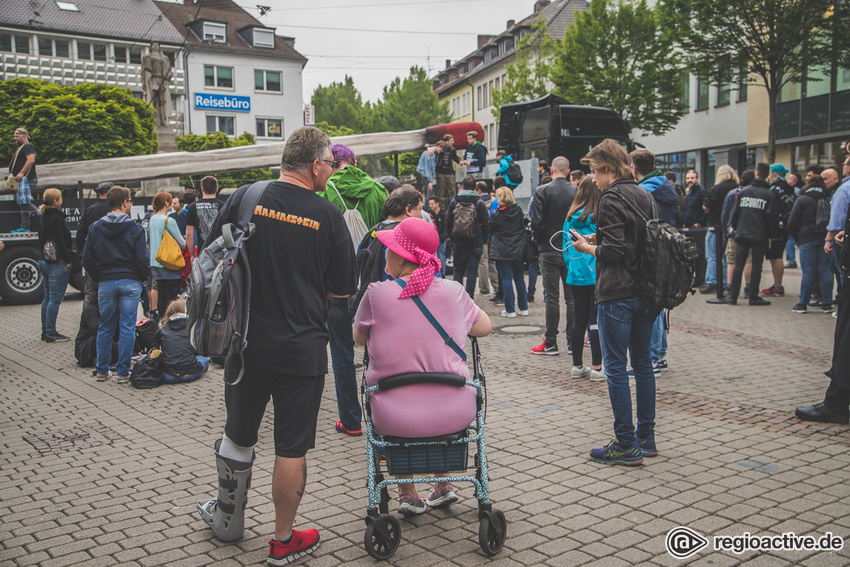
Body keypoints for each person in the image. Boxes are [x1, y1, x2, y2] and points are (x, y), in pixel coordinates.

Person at [197, 127, 356, 566]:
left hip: (243, 343)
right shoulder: (327, 216)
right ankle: (283, 540)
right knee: (291, 448)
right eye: (329, 164)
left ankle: (227, 521)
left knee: (239, 435)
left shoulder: (246, 196)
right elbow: (342, 290)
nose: (331, 172)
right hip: (302, 350)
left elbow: (213, 253)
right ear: (313, 165)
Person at [353, 217, 492, 514]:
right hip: (454, 412)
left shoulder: (376, 294)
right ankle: (443, 485)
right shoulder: (454, 291)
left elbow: (358, 338)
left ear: (401, 257)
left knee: (392, 422)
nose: (385, 252)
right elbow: (485, 328)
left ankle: (408, 494)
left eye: (389, 248)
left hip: (393, 415)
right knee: (437, 402)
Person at [571, 139, 659, 465]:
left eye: (594, 172)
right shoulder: (644, 194)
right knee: (643, 364)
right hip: (648, 292)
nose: (593, 179)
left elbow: (615, 252)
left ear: (607, 169)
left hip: (618, 292)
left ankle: (624, 443)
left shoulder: (610, 197)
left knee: (617, 369)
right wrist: (600, 236)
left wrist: (587, 248)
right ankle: (645, 437)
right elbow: (639, 238)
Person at [318, 143, 387, 438]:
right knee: (381, 350)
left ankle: (351, 420)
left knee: (342, 353)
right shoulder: (378, 191)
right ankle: (383, 418)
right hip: (373, 284)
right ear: (355, 163)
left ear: (331, 164)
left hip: (336, 287)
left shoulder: (322, 192)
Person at [82, 186, 149, 383]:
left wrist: (99, 276)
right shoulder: (135, 228)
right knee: (127, 326)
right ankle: (122, 372)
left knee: (105, 326)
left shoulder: (95, 227)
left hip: (106, 281)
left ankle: (102, 370)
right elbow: (142, 258)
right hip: (130, 281)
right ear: (125, 202)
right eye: (130, 200)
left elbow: (87, 258)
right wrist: (141, 277)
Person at [630, 150, 680, 373]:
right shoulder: (665, 185)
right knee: (658, 306)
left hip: (654, 252)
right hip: (668, 251)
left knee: (651, 306)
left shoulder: (644, 191)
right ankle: (659, 356)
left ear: (634, 168)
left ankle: (651, 359)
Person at [530, 156, 577, 356]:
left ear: (551, 170)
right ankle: (572, 341)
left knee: (551, 297)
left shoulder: (542, 191)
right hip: (572, 248)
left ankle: (551, 342)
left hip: (548, 248)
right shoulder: (577, 191)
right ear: (568, 171)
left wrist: (539, 240)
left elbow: (537, 222)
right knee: (571, 297)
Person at [563, 175, 604, 381]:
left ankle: (577, 366)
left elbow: (565, 247)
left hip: (576, 275)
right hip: (598, 273)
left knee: (579, 320)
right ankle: (598, 367)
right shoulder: (602, 216)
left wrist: (572, 267)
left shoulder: (570, 217)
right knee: (596, 322)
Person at [727, 163, 777, 307]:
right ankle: (753, 296)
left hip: (742, 233)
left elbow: (735, 214)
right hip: (760, 235)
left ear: (756, 173)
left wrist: (736, 228)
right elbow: (771, 217)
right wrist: (770, 234)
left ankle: (733, 296)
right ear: (767, 175)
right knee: (756, 266)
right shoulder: (769, 194)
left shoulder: (743, 192)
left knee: (738, 265)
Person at [788, 175, 833, 313]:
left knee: (808, 271)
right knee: (825, 270)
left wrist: (798, 238)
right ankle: (827, 303)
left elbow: (792, 222)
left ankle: (803, 303)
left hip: (807, 238)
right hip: (825, 237)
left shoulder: (802, 199)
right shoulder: (828, 198)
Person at [37, 188, 73, 343]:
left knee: (47, 297)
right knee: (55, 299)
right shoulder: (57, 218)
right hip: (57, 262)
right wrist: (68, 259)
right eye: (60, 198)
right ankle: (51, 332)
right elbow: (60, 240)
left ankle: (45, 330)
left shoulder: (42, 216)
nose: (61, 201)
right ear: (55, 201)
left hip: (44, 260)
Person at [447, 176, 490, 298]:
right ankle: (469, 299)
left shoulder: (454, 202)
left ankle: (458, 298)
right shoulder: (479, 202)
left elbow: (448, 222)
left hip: (459, 243)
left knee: (458, 271)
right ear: (475, 188)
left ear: (463, 186)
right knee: (472, 272)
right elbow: (486, 223)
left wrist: (453, 238)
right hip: (475, 242)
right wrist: (483, 239)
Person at [701, 165, 740, 294]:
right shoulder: (737, 189)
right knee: (726, 257)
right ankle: (724, 282)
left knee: (712, 256)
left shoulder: (717, 188)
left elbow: (706, 206)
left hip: (715, 226)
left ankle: (711, 281)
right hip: (730, 228)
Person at [489, 187, 528, 318]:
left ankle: (510, 310)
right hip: (518, 249)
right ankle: (524, 308)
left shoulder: (497, 215)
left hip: (502, 250)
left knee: (506, 279)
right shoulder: (518, 211)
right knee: (519, 278)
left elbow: (490, 229)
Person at [760, 163, 795, 297]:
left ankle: (778, 285)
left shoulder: (774, 188)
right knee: (778, 254)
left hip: (777, 226)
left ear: (774, 174)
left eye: (770, 173)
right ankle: (777, 284)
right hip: (786, 225)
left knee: (775, 256)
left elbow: (772, 208)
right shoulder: (789, 188)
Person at [149, 192, 186, 317]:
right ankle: (169, 319)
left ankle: (161, 319)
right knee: (171, 295)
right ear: (166, 203)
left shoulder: (152, 219)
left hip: (156, 260)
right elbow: (182, 242)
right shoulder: (168, 221)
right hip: (169, 262)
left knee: (161, 294)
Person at [156, 299, 210, 384]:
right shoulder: (192, 327)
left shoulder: (163, 330)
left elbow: (156, 350)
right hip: (190, 373)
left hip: (168, 375)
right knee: (205, 356)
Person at [185, 176, 225, 260]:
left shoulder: (193, 207)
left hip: (202, 252)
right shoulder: (223, 206)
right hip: (220, 251)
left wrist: (192, 255)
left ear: (202, 189)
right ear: (216, 189)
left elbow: (189, 234)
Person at [9, 128, 40, 233]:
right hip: (22, 181)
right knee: (22, 202)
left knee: (25, 203)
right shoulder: (22, 148)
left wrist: (21, 173)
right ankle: (25, 226)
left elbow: (31, 160)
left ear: (23, 136)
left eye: (17, 136)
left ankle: (42, 217)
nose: (15, 139)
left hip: (26, 180)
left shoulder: (28, 146)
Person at [683, 170, 708, 287]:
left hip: (697, 230)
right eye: (688, 178)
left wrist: (700, 222)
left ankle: (701, 278)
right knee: (690, 255)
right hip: (688, 229)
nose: (690, 180)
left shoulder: (702, 193)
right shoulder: (689, 194)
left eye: (692, 178)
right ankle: (694, 278)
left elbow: (707, 209)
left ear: (697, 179)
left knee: (700, 254)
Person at [141, 41, 173, 126]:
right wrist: (144, 84)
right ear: (151, 46)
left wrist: (168, 75)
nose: (155, 47)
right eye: (154, 45)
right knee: (153, 99)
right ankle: (153, 120)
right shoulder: (147, 57)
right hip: (152, 80)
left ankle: (163, 120)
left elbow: (169, 70)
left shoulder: (164, 58)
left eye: (157, 45)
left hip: (162, 81)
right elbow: (143, 72)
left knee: (163, 100)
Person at [434, 134, 460, 209]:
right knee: (441, 191)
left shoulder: (452, 149)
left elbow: (455, 157)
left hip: (449, 172)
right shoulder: (441, 148)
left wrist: (460, 161)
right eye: (451, 141)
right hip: (441, 172)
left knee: (452, 189)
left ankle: (454, 205)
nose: (453, 142)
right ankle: (442, 207)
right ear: (446, 141)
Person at [428, 196, 448, 276]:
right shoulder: (430, 214)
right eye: (429, 204)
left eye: (432, 204)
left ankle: (442, 273)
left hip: (441, 239)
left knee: (441, 256)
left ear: (437, 204)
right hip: (433, 239)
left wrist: (443, 237)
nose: (430, 206)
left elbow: (445, 227)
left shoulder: (443, 214)